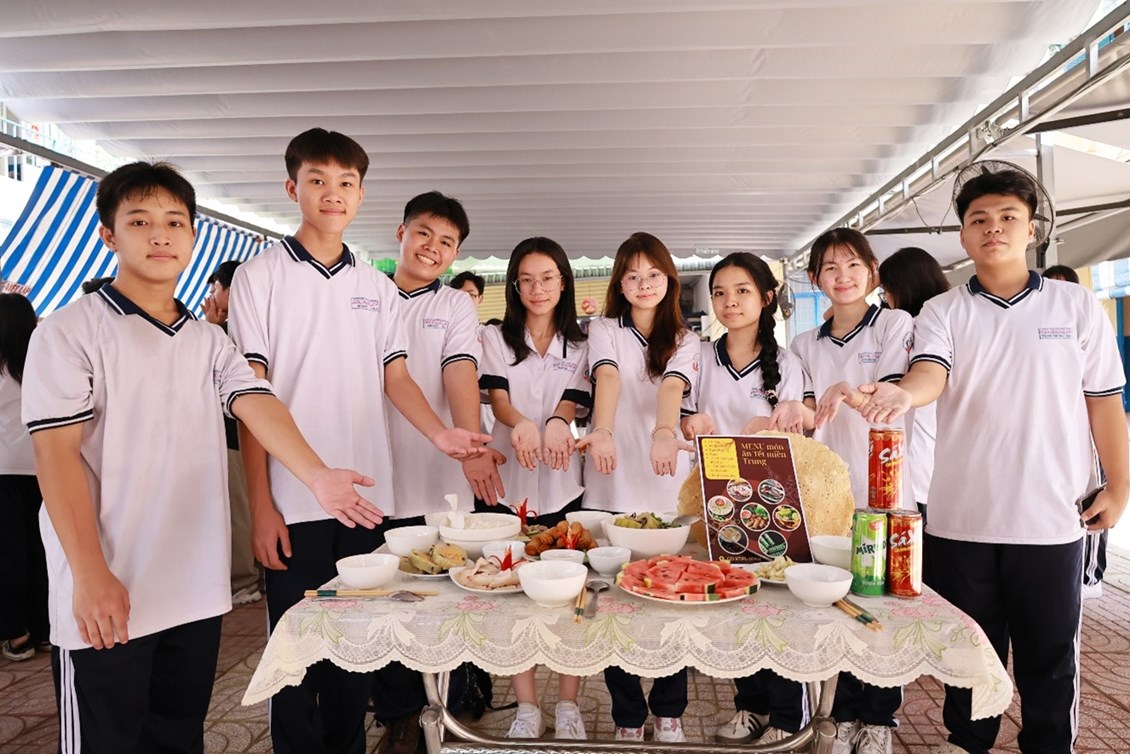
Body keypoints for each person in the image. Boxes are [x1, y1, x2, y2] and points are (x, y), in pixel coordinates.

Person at [23, 161, 385, 754]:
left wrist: (316, 476)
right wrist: (88, 574)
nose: (160, 235)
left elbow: (256, 402)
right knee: (107, 740)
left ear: (192, 235)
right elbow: (56, 458)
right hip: (108, 588)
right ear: (109, 234)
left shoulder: (208, 341)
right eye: (140, 221)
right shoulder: (69, 333)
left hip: (193, 588)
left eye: (174, 222)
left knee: (179, 735)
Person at [820, 166, 1128, 754]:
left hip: (1051, 517)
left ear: (1031, 230)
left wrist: (1119, 486)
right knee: (967, 651)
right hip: (961, 518)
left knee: (1049, 654)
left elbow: (1105, 403)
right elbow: (930, 373)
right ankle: (966, 743)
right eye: (979, 219)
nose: (994, 229)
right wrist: (902, 395)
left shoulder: (1076, 305)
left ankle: (1048, 745)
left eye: (1008, 217)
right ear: (963, 235)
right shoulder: (943, 311)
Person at [226, 128, 489, 754]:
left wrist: (441, 433)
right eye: (317, 180)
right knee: (297, 652)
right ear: (292, 188)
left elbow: (395, 378)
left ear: (362, 194)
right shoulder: (259, 277)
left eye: (346, 182)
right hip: (296, 498)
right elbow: (251, 398)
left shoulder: (375, 286)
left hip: (368, 499)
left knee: (357, 650)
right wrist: (261, 504)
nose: (332, 193)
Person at [373, 192, 504, 752]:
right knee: (386, 598)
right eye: (423, 233)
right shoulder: (367, 292)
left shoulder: (453, 304)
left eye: (446, 242)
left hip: (438, 474)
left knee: (444, 593)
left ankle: (447, 702)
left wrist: (470, 446)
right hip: (374, 474)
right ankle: (398, 715)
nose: (432, 247)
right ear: (400, 232)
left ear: (455, 254)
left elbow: (460, 371)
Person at [791, 228, 914, 754]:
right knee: (834, 603)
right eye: (830, 268)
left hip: (885, 489)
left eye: (853, 266)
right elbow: (805, 413)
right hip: (827, 496)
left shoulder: (894, 324)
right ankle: (840, 715)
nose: (842, 277)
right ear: (814, 278)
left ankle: (879, 718)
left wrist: (842, 390)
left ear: (872, 271)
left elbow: (882, 402)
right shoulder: (803, 344)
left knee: (882, 606)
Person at [678, 253, 808, 746]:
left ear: (766, 298)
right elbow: (681, 413)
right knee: (734, 610)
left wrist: (772, 425)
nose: (729, 302)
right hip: (717, 507)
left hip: (774, 508)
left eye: (742, 291)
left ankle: (787, 717)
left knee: (778, 612)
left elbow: (801, 437)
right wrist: (688, 422)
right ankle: (749, 706)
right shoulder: (698, 357)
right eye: (720, 293)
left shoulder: (788, 364)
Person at [575, 231, 700, 743]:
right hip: (611, 483)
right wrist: (602, 431)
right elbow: (607, 378)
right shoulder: (604, 328)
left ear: (669, 279)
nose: (643, 284)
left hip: (666, 488)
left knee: (673, 600)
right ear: (619, 283)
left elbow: (672, 385)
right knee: (614, 606)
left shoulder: (687, 339)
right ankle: (627, 715)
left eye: (653, 274)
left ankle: (669, 710)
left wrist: (663, 433)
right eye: (632, 275)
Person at [479, 237, 590, 740]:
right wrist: (523, 423)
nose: (537, 289)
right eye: (526, 280)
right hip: (510, 491)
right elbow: (499, 401)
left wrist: (556, 422)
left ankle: (567, 705)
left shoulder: (582, 344)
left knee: (570, 596)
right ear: (514, 286)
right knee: (513, 594)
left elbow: (571, 401)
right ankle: (527, 706)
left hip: (566, 489)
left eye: (546, 278)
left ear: (563, 282)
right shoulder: (495, 338)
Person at [198, 259, 263, 606]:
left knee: (237, 508)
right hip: (253, 433)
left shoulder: (228, 332)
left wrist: (211, 328)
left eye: (215, 289)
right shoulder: (253, 322)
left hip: (234, 434)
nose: (211, 297)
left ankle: (243, 580)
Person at [1041, 264, 1107, 599]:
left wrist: (1121, 485)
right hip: (1046, 440)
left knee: (1089, 504)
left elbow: (1104, 395)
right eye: (1051, 283)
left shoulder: (1083, 313)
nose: (1057, 290)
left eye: (1063, 284)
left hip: (1080, 435)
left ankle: (1090, 575)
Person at [877, 247, 950, 523]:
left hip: (918, 459)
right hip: (944, 459)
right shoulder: (949, 319)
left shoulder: (909, 327)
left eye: (885, 290)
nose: (885, 298)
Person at [0, 293, 49, 662]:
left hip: (3, 472)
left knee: (8, 553)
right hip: (42, 468)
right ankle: (44, 629)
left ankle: (17, 635)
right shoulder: (41, 366)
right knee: (41, 548)